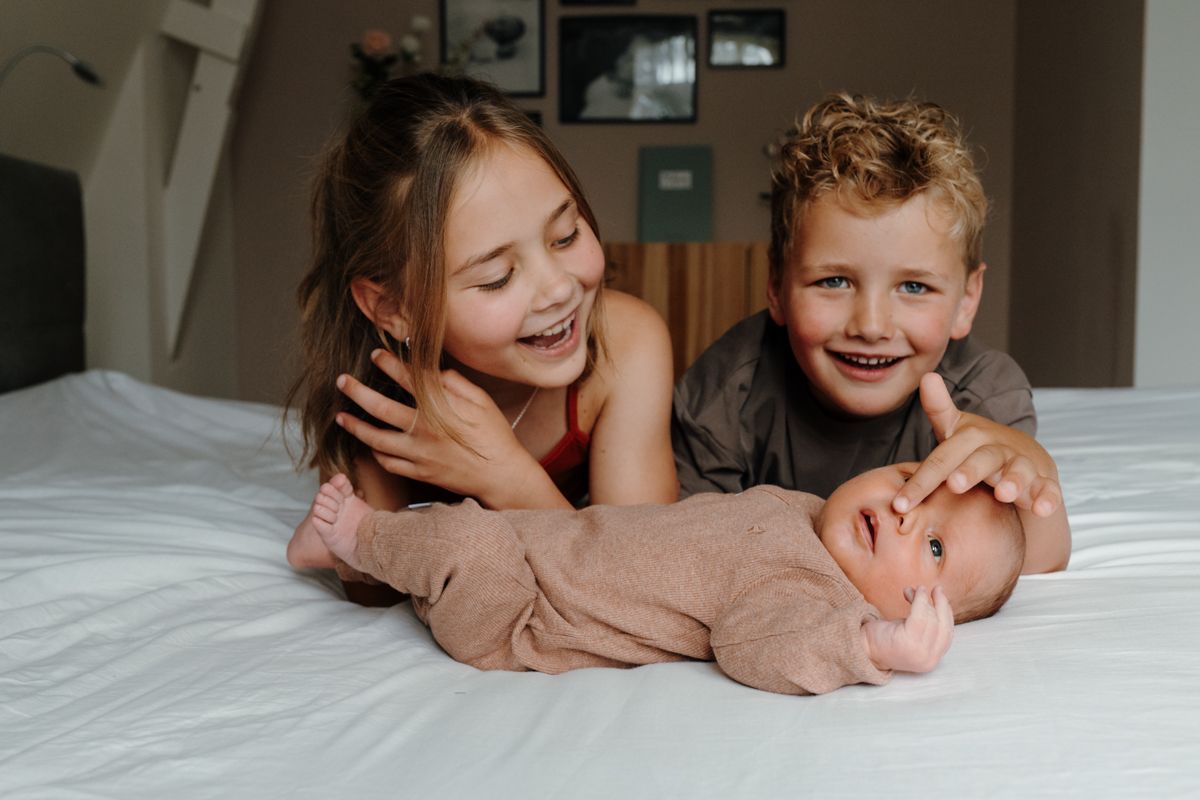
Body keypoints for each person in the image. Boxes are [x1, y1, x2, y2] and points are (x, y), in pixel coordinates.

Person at [285, 73, 677, 596]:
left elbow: (651, 582)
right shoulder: (379, 394)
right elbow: (373, 584)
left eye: (566, 236)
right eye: (497, 277)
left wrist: (505, 477)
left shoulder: (628, 343)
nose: (558, 288)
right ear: (393, 308)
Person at [671, 92, 1070, 574]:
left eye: (914, 286)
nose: (871, 326)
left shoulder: (980, 395)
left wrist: (1031, 466)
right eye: (833, 281)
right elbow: (683, 548)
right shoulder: (727, 389)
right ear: (776, 286)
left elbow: (1030, 561)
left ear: (967, 301)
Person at [302, 455, 1025, 696]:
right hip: (543, 545)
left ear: (931, 608)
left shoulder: (811, 598)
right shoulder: (801, 510)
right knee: (465, 526)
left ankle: (359, 540)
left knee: (463, 540)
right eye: (910, 482)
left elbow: (757, 647)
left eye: (933, 547)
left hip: (521, 618)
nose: (903, 511)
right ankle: (343, 552)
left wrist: (870, 645)